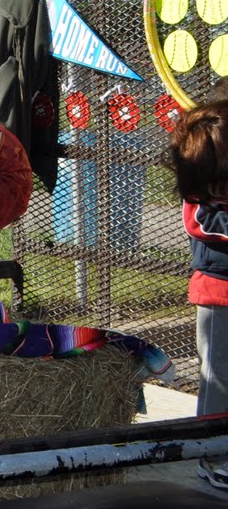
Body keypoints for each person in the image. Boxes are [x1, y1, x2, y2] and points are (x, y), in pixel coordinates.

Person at [166, 91, 228, 491]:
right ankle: (212, 456)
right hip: (219, 300)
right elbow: (208, 227)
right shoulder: (200, 205)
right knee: (220, 380)